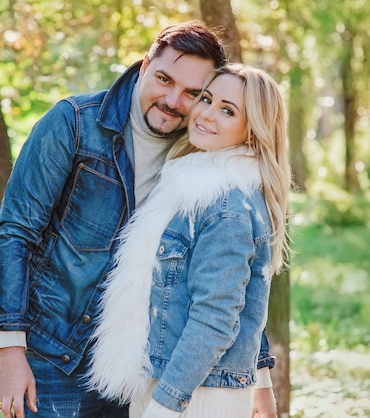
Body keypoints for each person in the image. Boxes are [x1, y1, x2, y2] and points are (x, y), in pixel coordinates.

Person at [0, 20, 277, 418]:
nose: (174, 100)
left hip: (143, 368)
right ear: (144, 66)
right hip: (55, 359)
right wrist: (10, 352)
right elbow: (16, 233)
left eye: (194, 93)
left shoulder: (199, 155)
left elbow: (231, 276)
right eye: (163, 79)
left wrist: (258, 372)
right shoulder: (74, 123)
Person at [86, 63, 291, 418]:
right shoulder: (194, 185)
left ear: (252, 128)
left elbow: (216, 316)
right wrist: (261, 381)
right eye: (206, 99)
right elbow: (243, 304)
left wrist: (166, 403)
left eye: (228, 110)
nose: (206, 114)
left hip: (194, 393)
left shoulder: (226, 206)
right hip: (175, 380)